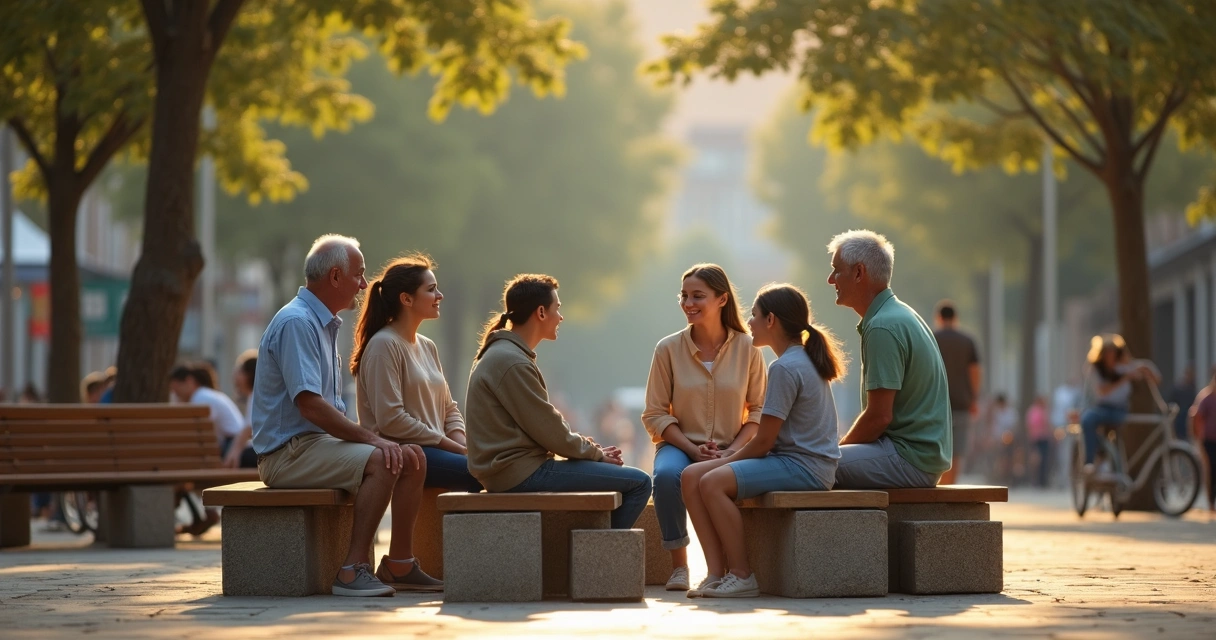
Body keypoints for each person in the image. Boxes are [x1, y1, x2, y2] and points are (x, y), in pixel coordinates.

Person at [251, 233, 423, 598]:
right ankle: (351, 571)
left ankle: (400, 564)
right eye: (359, 275)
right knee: (384, 458)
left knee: (412, 456)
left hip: (313, 445)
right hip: (287, 454)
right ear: (334, 277)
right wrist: (373, 438)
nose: (364, 285)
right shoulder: (297, 323)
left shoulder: (322, 323)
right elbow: (310, 405)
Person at [680, 283, 846, 599]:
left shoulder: (785, 366)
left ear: (771, 320)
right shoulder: (800, 359)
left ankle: (742, 575)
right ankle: (716, 573)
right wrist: (728, 455)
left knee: (712, 482)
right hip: (798, 462)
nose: (749, 322)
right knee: (690, 476)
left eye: (754, 316)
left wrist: (724, 460)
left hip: (805, 468)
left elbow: (763, 442)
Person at [464, 274, 652, 530]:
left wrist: (589, 453)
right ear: (541, 312)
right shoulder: (512, 361)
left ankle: (593, 555)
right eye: (558, 309)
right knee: (640, 482)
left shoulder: (505, 354)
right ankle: (599, 562)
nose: (561, 317)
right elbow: (549, 430)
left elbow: (546, 427)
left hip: (512, 470)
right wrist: (594, 453)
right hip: (519, 473)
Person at [350, 254, 477, 591]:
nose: (440, 296)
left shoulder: (427, 346)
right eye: (431, 289)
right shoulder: (382, 346)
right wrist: (455, 449)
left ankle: (401, 564)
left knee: (490, 464)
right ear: (406, 299)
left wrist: (460, 441)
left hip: (434, 450)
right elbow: (391, 421)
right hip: (402, 454)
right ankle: (466, 567)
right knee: (484, 472)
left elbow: (449, 407)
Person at [641, 263, 765, 592]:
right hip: (680, 444)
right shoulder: (667, 349)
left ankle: (724, 569)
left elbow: (759, 409)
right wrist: (691, 448)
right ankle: (679, 566)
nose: (688, 303)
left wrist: (734, 448)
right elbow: (654, 413)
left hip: (733, 445)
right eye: (684, 296)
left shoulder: (748, 348)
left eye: (698, 296)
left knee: (716, 480)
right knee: (668, 476)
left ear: (722, 299)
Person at [826, 229, 951, 488]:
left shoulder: (882, 326)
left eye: (837, 270)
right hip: (918, 456)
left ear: (859, 272)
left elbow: (879, 417)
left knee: (813, 467)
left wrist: (835, 451)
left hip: (909, 459)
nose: (830, 279)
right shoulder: (897, 314)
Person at [1078, 334, 1160, 475]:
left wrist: (1145, 368)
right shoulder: (1096, 369)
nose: (1110, 357)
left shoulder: (1124, 367)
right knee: (1087, 420)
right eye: (1107, 353)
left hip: (1119, 410)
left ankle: (1108, 459)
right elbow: (1103, 391)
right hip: (1101, 408)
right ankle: (1090, 461)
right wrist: (1125, 378)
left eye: (1113, 353)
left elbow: (1154, 376)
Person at [933, 300, 980, 485]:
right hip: (961, 403)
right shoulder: (967, 341)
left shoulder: (931, 338)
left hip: (936, 404)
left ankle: (941, 486)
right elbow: (975, 372)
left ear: (938, 317)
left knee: (938, 448)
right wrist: (973, 398)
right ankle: (952, 487)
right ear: (955, 318)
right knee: (957, 451)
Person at [169, 364, 246, 452]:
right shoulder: (205, 394)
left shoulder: (200, 397)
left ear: (189, 381)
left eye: (177, 390)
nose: (176, 395)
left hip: (232, 445)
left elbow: (199, 433)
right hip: (233, 443)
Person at [222, 350, 258, 469]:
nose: (235, 377)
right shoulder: (255, 395)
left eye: (240, 372)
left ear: (250, 374)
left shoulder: (256, 395)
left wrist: (234, 453)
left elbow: (248, 428)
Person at [1190, 367, 1216, 512]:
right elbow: (1195, 416)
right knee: (1211, 469)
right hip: (1209, 440)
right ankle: (1210, 502)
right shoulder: (1206, 398)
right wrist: (1197, 437)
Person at [1026, 395, 1052, 487]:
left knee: (1044, 460)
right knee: (1036, 461)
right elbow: (1030, 425)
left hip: (1044, 438)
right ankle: (1035, 480)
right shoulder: (1033, 411)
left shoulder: (1044, 411)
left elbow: (1047, 424)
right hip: (1036, 439)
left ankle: (1043, 481)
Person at [1168, 366, 1197, 441]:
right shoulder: (1179, 389)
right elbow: (1171, 402)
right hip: (1180, 417)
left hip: (1189, 417)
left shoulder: (1193, 389)